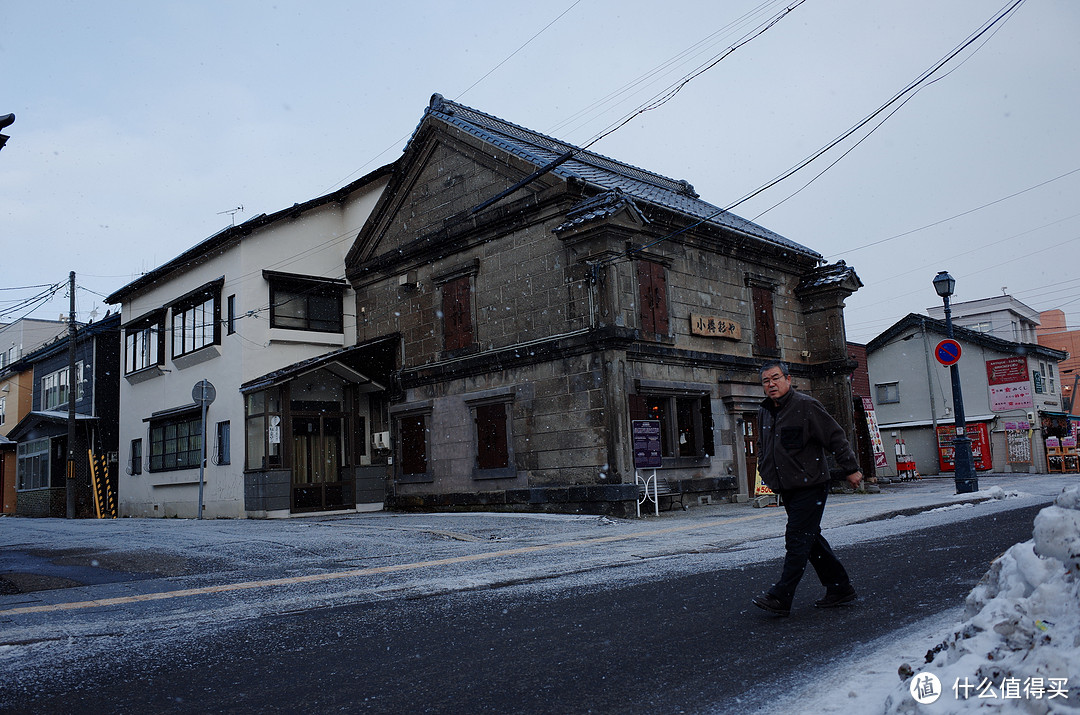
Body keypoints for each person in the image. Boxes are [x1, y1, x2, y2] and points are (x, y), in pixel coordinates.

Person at [752, 361, 863, 617]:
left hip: (811, 485)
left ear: (788, 379)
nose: (771, 384)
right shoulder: (765, 411)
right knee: (810, 540)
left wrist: (851, 468)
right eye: (766, 381)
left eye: (776, 378)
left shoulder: (806, 405)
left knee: (797, 538)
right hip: (786, 487)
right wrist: (765, 468)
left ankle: (781, 596)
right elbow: (763, 445)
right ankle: (840, 588)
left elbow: (835, 436)